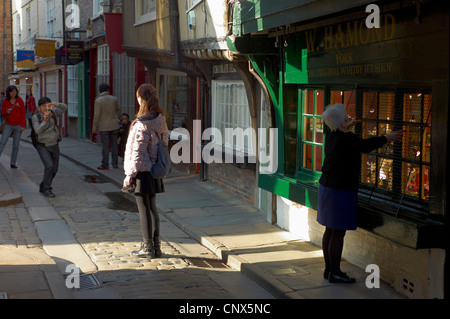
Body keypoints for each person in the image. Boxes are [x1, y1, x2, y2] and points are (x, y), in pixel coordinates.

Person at [317, 103, 405, 284]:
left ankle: (329, 270)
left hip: (327, 188)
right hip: (340, 190)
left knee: (329, 230)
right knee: (338, 232)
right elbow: (365, 145)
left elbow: (343, 134)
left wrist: (347, 126)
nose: (348, 117)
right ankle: (335, 273)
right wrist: (387, 137)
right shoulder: (347, 140)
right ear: (341, 120)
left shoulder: (331, 136)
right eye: (345, 116)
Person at [123, 84, 168, 258]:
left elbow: (137, 152)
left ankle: (147, 247)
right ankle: (156, 247)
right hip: (155, 169)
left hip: (142, 170)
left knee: (144, 209)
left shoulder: (141, 124)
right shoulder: (160, 119)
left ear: (141, 98)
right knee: (152, 208)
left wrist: (130, 175)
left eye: (138, 97)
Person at [32, 97, 68, 198]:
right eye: (43, 106)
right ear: (39, 107)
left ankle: (43, 184)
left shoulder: (53, 113)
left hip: (54, 144)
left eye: (47, 105)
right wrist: (45, 121)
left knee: (54, 170)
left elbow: (65, 108)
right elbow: (38, 130)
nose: (45, 108)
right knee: (49, 166)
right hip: (43, 146)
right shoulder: (36, 117)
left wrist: (55, 104)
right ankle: (47, 189)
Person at [92, 83, 121, 170]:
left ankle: (105, 164)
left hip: (104, 126)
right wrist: (121, 118)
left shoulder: (98, 101)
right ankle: (115, 163)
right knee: (114, 145)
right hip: (114, 125)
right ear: (108, 89)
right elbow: (118, 110)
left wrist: (94, 127)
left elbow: (96, 115)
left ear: (99, 90)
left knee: (105, 146)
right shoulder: (114, 99)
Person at [0, 85, 26, 168]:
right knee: (2, 141)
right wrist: (6, 112)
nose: (13, 93)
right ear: (9, 93)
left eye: (15, 91)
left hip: (18, 125)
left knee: (15, 145)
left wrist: (22, 125)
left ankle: (13, 162)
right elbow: (2, 113)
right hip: (8, 124)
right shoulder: (5, 101)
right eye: (12, 92)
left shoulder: (20, 100)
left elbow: (23, 113)